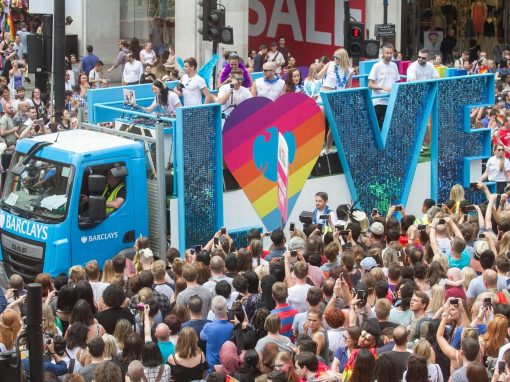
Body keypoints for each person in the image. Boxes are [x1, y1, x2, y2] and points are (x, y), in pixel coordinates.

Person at [368, 43, 400, 128]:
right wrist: (382, 87)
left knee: (390, 127)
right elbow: (370, 84)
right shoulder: (376, 66)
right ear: (383, 54)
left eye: (391, 53)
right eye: (387, 53)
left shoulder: (394, 65)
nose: (389, 55)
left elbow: (397, 82)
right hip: (379, 101)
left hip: (391, 100)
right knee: (378, 127)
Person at [200, 296, 234, 372]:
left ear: (212, 310)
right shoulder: (233, 327)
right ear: (227, 308)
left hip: (212, 369)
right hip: (228, 369)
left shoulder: (208, 327)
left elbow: (201, 336)